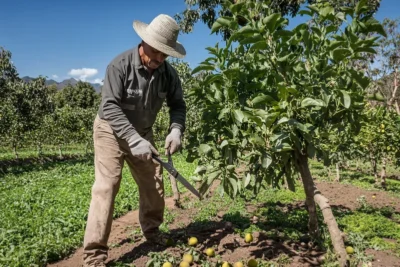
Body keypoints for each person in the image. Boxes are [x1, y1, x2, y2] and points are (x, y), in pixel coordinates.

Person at [82, 14, 187, 267]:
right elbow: (109, 106)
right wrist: (131, 137)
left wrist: (176, 129)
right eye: (156, 51)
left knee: (153, 182)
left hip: (143, 132)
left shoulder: (168, 74)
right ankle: (94, 255)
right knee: (107, 186)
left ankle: (152, 232)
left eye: (165, 54)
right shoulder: (119, 66)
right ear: (144, 41)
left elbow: (178, 105)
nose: (160, 59)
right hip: (110, 130)